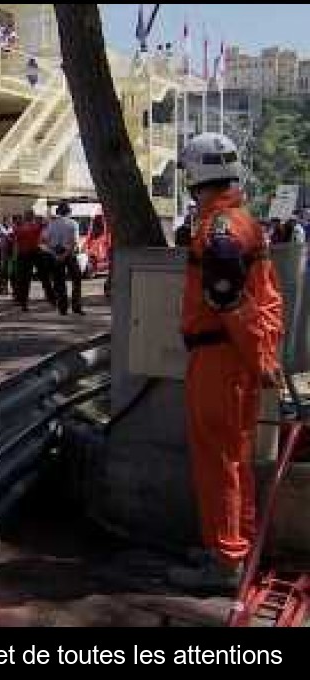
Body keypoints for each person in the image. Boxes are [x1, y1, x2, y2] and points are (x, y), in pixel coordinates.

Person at [170, 132, 284, 592]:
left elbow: (230, 302)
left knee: (218, 462)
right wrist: (263, 358)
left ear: (196, 176)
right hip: (236, 357)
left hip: (222, 359)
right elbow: (264, 300)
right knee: (234, 459)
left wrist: (258, 359)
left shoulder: (218, 231)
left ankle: (225, 561)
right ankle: (236, 546)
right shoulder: (244, 223)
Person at [43, 201, 84, 315]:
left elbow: (44, 241)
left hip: (56, 252)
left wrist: (55, 254)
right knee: (76, 279)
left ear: (58, 212)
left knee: (59, 281)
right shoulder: (73, 223)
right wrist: (65, 254)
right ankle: (76, 306)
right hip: (69, 253)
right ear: (69, 212)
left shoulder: (52, 224)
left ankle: (63, 307)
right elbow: (74, 243)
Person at [13, 209, 55, 311]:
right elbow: (46, 223)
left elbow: (16, 243)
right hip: (35, 253)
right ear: (32, 217)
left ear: (25, 217)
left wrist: (15, 256)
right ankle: (52, 299)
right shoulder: (36, 226)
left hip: (23, 254)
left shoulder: (19, 228)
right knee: (44, 277)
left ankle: (23, 303)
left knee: (24, 280)